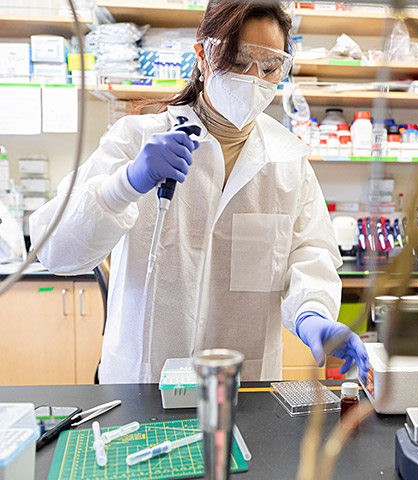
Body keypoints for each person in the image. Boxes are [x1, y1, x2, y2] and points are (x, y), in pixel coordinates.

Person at [30, 0, 368, 384]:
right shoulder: (137, 140)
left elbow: (309, 254)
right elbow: (55, 251)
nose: (254, 79)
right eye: (239, 62)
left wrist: (312, 315)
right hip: (144, 383)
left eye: (270, 67)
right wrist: (125, 184)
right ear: (204, 56)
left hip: (244, 388)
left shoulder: (288, 162)